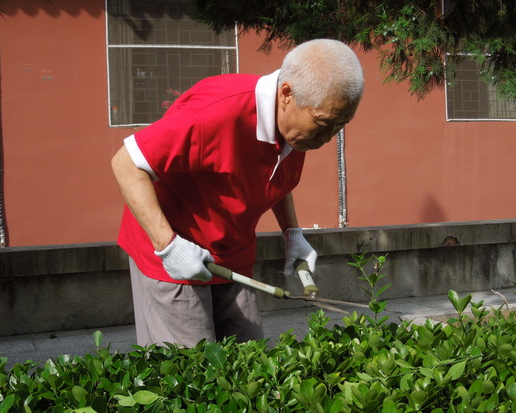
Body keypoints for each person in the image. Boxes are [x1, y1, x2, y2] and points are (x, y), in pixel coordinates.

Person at [111, 38, 365, 348]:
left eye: (340, 125)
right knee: (191, 371)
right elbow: (127, 163)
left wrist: (292, 232)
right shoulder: (217, 112)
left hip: (232, 254)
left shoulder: (296, 127)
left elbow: (273, 175)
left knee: (248, 360)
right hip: (175, 254)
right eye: (324, 123)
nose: (327, 137)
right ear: (287, 94)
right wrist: (168, 246)